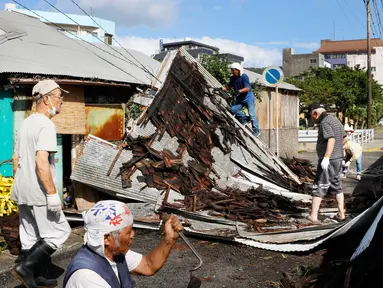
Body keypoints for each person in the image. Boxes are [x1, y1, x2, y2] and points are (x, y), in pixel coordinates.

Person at [11, 80, 71, 288]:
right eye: (58, 97)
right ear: (45, 99)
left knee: (30, 236)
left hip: (22, 188)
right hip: (39, 191)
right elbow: (41, 161)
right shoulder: (46, 124)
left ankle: (35, 277)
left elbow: (16, 158)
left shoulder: (26, 123)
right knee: (59, 232)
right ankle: (25, 268)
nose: (61, 101)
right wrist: (52, 193)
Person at [63, 200, 184, 288]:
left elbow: (148, 265)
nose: (133, 234)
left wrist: (169, 240)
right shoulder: (87, 278)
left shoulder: (115, 253)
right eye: (128, 232)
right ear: (106, 239)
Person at [307, 103, 347, 223]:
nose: (313, 119)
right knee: (336, 186)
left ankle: (313, 216)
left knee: (319, 185)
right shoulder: (335, 120)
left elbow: (331, 139)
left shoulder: (325, 122)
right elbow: (345, 138)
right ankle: (341, 214)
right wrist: (338, 151)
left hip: (329, 161)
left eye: (311, 116)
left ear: (315, 113)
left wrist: (327, 157)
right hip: (338, 159)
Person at [223, 63, 261, 137]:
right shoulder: (233, 78)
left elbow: (248, 88)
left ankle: (256, 131)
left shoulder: (244, 77)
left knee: (252, 114)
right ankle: (245, 119)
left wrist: (239, 91)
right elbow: (229, 86)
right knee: (232, 109)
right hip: (240, 98)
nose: (232, 72)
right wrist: (222, 89)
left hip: (248, 98)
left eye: (232, 70)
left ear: (237, 70)